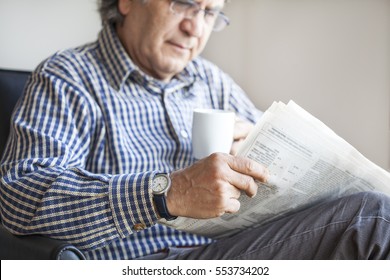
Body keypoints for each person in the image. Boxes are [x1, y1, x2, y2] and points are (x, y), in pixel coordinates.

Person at [1, 0, 390, 260]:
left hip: (227, 250)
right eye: (182, 2)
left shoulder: (212, 82)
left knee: (375, 208)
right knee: (374, 220)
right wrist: (169, 193)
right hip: (141, 261)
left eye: (209, 12)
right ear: (126, 2)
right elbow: (20, 196)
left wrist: (258, 147)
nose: (193, 28)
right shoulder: (69, 77)